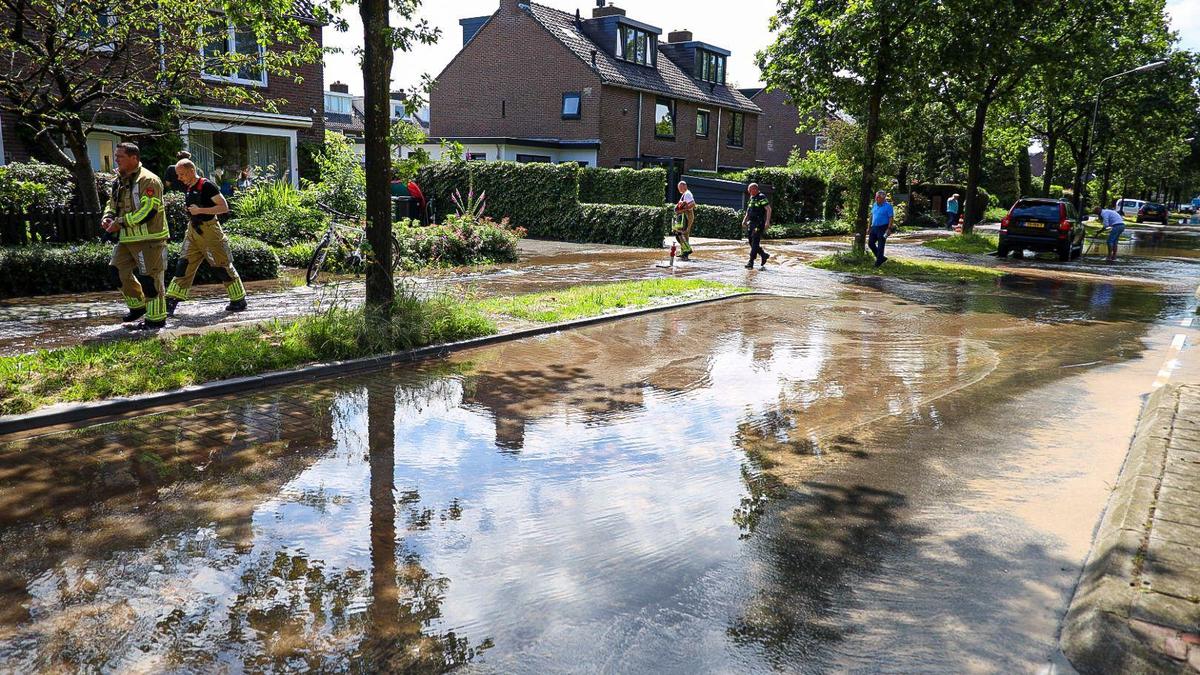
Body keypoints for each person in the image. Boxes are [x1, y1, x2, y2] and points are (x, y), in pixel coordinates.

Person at [165, 159, 247, 315]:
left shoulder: (207, 185)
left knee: (222, 266)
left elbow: (223, 207)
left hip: (210, 231)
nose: (179, 178)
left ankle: (238, 299)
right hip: (193, 230)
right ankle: (171, 301)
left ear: (190, 171)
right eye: (178, 175)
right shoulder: (188, 186)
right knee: (183, 265)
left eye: (181, 174)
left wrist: (200, 211)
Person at [101, 142, 169, 330]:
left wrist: (120, 223)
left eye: (120, 156)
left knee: (150, 279)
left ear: (134, 158)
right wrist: (108, 217)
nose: (116, 160)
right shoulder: (119, 180)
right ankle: (138, 306)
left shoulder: (149, 180)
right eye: (116, 156)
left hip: (149, 239)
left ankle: (156, 319)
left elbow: (149, 211)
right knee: (116, 272)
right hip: (126, 239)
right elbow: (112, 204)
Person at [743, 183, 771, 269]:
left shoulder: (761, 197)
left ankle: (751, 261)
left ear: (755, 189)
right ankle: (763, 254)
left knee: (755, 242)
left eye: (750, 190)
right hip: (751, 223)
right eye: (749, 190)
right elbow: (748, 210)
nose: (749, 192)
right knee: (751, 242)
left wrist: (767, 221)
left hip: (759, 223)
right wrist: (744, 220)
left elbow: (768, 209)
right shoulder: (751, 197)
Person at [868, 190, 894, 268]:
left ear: (883, 198)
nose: (876, 198)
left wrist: (889, 228)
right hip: (874, 227)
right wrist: (869, 227)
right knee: (870, 243)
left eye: (878, 197)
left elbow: (891, 218)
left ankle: (878, 262)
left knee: (881, 245)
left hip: (883, 227)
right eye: (876, 196)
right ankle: (881, 258)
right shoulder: (875, 205)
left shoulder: (888, 206)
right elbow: (871, 216)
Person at [674, 180, 696, 261]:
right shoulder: (685, 194)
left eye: (679, 187)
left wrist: (682, 210)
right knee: (683, 234)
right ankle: (684, 252)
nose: (678, 189)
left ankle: (686, 251)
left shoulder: (687, 194)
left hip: (687, 217)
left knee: (680, 233)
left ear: (684, 186)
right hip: (685, 216)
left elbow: (693, 203)